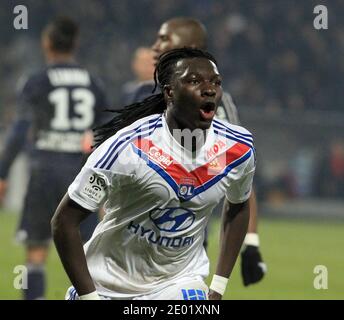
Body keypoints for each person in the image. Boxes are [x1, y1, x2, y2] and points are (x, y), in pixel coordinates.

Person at [52, 47, 256, 300]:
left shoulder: (236, 148)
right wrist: (89, 297)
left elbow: (238, 206)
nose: (209, 89)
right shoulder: (128, 148)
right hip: (107, 285)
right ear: (170, 92)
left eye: (216, 82)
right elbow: (64, 221)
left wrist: (219, 286)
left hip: (178, 282)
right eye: (194, 81)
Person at [128, 17, 266, 287]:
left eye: (164, 39)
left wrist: (250, 241)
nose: (155, 46)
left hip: (180, 239)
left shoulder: (214, 101)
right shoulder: (144, 93)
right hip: (129, 235)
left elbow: (237, 170)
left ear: (189, 47)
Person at [0, 17, 108, 300]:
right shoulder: (92, 82)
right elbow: (105, 133)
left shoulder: (36, 81)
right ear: (75, 45)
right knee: (89, 252)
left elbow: (19, 130)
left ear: (46, 44)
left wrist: (2, 172)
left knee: (36, 251)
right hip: (81, 174)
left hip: (44, 171)